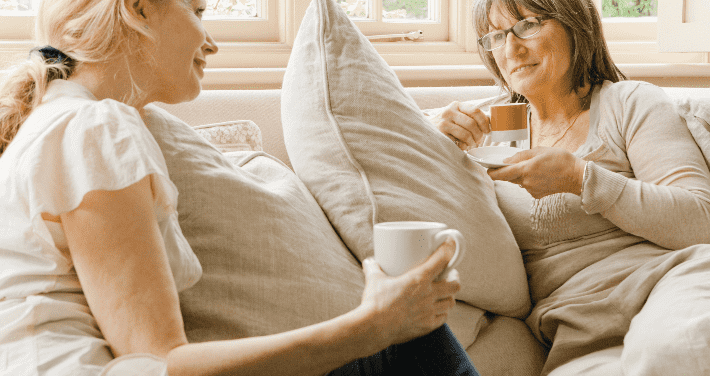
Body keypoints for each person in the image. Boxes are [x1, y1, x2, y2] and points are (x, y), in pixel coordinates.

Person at [0, 0, 481, 375]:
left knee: (412, 326)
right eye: (198, 11)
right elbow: (159, 364)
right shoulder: (96, 126)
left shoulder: (66, 121)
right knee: (413, 333)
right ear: (138, 9)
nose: (211, 43)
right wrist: (373, 325)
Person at [430, 0, 710, 375]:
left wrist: (582, 179)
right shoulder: (485, 130)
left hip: (668, 284)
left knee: (669, 355)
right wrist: (431, 144)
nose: (511, 49)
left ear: (575, 24)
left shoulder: (629, 102)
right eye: (495, 36)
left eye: (527, 25)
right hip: (575, 331)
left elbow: (700, 220)